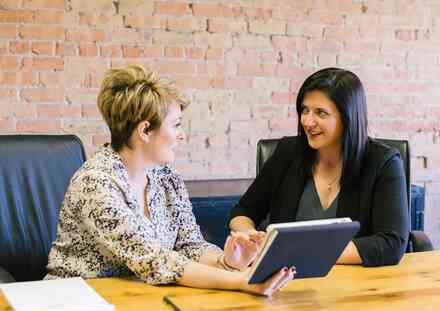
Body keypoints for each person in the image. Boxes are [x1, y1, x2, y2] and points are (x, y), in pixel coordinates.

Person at [45, 65, 294, 296]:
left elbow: (190, 245)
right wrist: (241, 281)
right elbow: (154, 260)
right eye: (176, 125)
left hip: (139, 300)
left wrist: (227, 262)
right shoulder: (95, 183)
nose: (182, 135)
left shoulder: (166, 178)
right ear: (144, 131)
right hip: (75, 303)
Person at [229, 67, 410, 267]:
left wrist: (300, 252)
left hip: (356, 284)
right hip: (285, 281)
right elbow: (243, 211)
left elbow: (392, 243)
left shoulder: (383, 162)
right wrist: (250, 235)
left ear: (348, 117)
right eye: (305, 110)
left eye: (320, 113)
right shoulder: (288, 153)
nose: (307, 121)